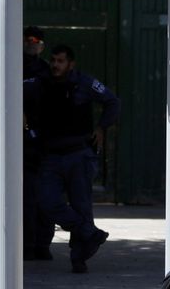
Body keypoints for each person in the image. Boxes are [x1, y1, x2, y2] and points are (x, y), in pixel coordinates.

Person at [24, 44, 118, 273]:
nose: (55, 65)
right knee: (46, 202)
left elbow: (113, 101)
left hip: (78, 154)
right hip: (50, 155)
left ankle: (79, 257)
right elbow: (13, 91)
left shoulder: (84, 83)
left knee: (81, 205)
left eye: (60, 61)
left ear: (71, 64)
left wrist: (101, 128)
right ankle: (88, 232)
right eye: (53, 60)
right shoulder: (40, 82)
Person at [21, 26, 54, 260]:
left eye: (38, 41)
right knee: (27, 197)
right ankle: (28, 244)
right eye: (30, 40)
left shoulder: (45, 70)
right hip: (22, 141)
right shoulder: (11, 64)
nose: (34, 44)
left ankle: (42, 244)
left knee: (45, 196)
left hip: (43, 140)